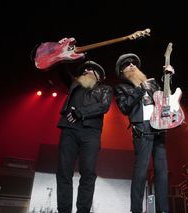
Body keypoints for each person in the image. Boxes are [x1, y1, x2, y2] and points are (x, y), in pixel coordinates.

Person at [113, 53, 174, 213]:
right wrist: (140, 89)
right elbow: (125, 108)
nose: (132, 65)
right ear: (122, 71)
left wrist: (167, 77)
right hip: (142, 130)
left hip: (158, 128)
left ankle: (164, 210)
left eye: (134, 63)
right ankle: (136, 210)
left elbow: (165, 99)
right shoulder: (122, 87)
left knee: (162, 172)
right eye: (127, 64)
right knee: (141, 171)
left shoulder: (152, 83)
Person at [56, 60, 113, 213]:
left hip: (91, 133)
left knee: (88, 173)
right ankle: (63, 210)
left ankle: (83, 210)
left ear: (99, 76)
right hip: (69, 130)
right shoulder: (75, 84)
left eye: (92, 69)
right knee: (63, 171)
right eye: (85, 69)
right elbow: (62, 71)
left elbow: (104, 106)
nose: (87, 70)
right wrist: (63, 55)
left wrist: (79, 112)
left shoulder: (105, 89)